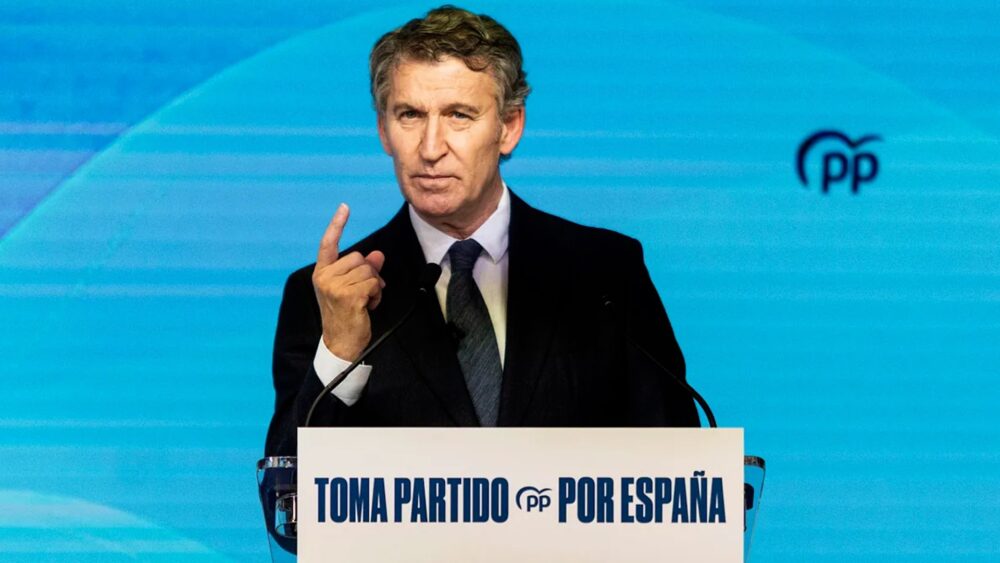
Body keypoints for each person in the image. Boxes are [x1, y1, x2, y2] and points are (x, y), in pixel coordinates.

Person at [264, 5, 698, 456]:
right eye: (410, 114)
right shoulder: (325, 296)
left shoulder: (606, 275)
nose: (430, 148)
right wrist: (339, 350)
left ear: (509, 127)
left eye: (459, 115)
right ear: (384, 131)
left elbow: (683, 469)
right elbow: (288, 488)